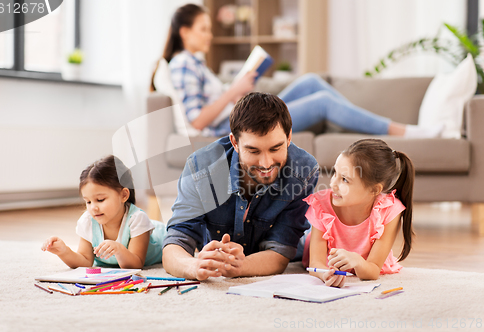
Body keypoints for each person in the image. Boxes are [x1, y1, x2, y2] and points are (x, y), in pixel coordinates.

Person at [151, 3, 443, 138]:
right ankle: (405, 132)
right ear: (185, 32)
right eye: (203, 29)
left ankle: (361, 123)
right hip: (232, 129)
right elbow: (198, 121)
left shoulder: (196, 64)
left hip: (239, 115)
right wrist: (234, 91)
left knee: (311, 81)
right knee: (323, 102)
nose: (209, 36)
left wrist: (239, 90)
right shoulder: (183, 64)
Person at [161, 92, 319, 280]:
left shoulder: (303, 171)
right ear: (234, 142)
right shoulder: (200, 168)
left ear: (289, 137)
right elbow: (175, 243)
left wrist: (239, 267)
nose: (266, 163)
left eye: (275, 148)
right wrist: (194, 266)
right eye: (253, 150)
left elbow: (280, 252)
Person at [302, 139, 414, 287]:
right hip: (308, 241)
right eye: (335, 173)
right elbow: (316, 262)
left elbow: (373, 270)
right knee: (292, 245)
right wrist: (325, 274)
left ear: (375, 190)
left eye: (344, 180)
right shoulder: (321, 204)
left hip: (362, 264)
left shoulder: (389, 210)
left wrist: (356, 260)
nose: (333, 184)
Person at [41, 155, 166, 269]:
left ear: (124, 195)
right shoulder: (88, 221)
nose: (93, 208)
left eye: (100, 200)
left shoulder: (137, 219)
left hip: (163, 237)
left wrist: (119, 249)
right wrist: (64, 251)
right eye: (88, 202)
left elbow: (136, 264)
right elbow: (85, 261)